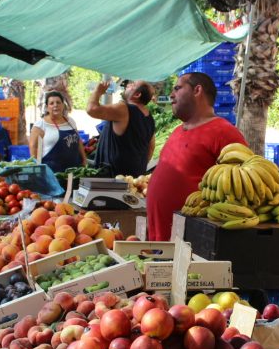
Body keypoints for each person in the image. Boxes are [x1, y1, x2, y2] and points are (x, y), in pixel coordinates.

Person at [145, 72, 246, 241]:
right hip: (159, 240)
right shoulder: (178, 130)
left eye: (177, 88)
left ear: (197, 90)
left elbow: (240, 187)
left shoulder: (225, 133)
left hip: (190, 244)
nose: (171, 95)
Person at [87, 78, 156, 177]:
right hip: (134, 177)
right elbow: (151, 147)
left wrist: (97, 91)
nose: (128, 85)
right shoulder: (149, 117)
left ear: (137, 95)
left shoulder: (123, 108)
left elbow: (91, 109)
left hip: (113, 178)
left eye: (133, 85)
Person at [30, 90, 86, 172]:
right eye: (51, 103)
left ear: (63, 105)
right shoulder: (41, 124)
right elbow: (33, 147)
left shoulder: (70, 121)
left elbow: (79, 141)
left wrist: (84, 159)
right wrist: (37, 169)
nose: (55, 105)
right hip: (52, 173)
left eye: (58, 102)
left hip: (74, 170)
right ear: (47, 107)